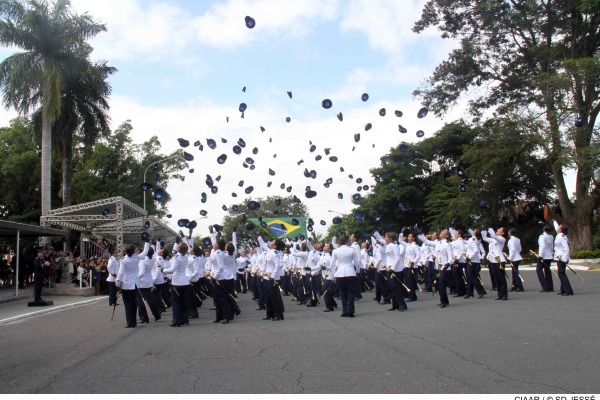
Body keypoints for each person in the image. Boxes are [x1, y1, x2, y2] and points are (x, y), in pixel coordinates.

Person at [115, 241, 150, 328]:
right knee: (134, 303)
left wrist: (117, 282)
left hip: (126, 284)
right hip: (135, 284)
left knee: (128, 304)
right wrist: (147, 242)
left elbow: (120, 273)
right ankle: (134, 322)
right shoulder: (136, 258)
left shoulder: (124, 260)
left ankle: (130, 322)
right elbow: (145, 252)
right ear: (133, 251)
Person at [419, 231, 453, 308]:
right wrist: (420, 234)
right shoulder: (438, 243)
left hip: (444, 267)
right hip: (438, 266)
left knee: (441, 284)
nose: (441, 233)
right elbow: (426, 241)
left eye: (443, 233)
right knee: (439, 284)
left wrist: (448, 263)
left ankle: (444, 301)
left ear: (447, 235)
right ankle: (443, 300)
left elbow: (450, 256)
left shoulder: (448, 244)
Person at [159, 242, 189, 327]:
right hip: (185, 281)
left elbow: (172, 270)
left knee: (175, 302)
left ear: (178, 249)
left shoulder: (177, 258)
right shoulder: (186, 256)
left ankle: (176, 321)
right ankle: (184, 319)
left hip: (177, 282)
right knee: (183, 301)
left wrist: (164, 270)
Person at [331, 235, 362, 317]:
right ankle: (350, 311)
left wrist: (334, 273)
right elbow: (356, 262)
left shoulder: (336, 251)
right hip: (350, 272)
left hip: (340, 273)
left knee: (342, 293)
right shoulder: (352, 250)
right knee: (351, 293)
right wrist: (357, 272)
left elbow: (332, 264)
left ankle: (344, 311)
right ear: (346, 241)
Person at [482, 228, 508, 301]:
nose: (497, 230)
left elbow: (495, 237)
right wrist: (483, 234)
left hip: (499, 260)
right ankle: (500, 294)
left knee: (501, 278)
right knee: (496, 278)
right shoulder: (493, 239)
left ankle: (504, 295)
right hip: (492, 260)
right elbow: (485, 239)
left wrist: (492, 233)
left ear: (502, 233)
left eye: (499, 229)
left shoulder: (502, 239)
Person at [554, 223, 573, 296]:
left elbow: (566, 249)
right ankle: (563, 289)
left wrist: (564, 260)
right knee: (561, 273)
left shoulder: (561, 237)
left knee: (561, 273)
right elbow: (555, 225)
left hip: (562, 258)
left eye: (559, 227)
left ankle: (568, 290)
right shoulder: (560, 235)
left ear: (561, 229)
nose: (558, 227)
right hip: (560, 257)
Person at [536, 224, 555, 292]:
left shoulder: (542, 236)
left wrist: (540, 255)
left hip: (543, 256)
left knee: (539, 270)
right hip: (549, 255)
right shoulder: (551, 236)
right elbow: (551, 246)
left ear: (544, 229)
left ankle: (545, 286)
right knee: (547, 271)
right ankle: (550, 286)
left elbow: (542, 246)